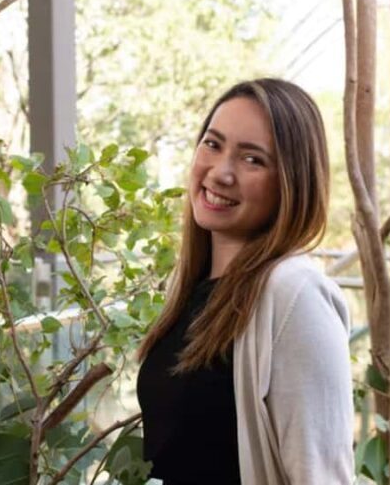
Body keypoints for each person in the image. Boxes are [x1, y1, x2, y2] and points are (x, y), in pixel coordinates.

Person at [136, 79, 354, 484]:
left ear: (292, 182)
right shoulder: (192, 288)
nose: (221, 173)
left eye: (252, 159)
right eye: (213, 144)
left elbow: (321, 476)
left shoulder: (295, 294)